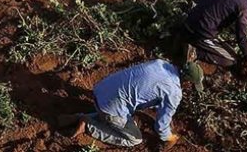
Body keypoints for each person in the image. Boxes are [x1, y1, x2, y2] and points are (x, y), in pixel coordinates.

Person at [64, 59, 203, 148]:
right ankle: (89, 126)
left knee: (123, 109)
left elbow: (149, 87)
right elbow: (161, 126)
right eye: (192, 84)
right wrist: (169, 137)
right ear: (187, 81)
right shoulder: (174, 92)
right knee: (134, 139)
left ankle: (80, 116)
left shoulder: (160, 63)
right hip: (109, 108)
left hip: (99, 90)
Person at [173, 0, 247, 71]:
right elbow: (241, 36)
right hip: (201, 32)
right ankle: (195, 52)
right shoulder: (244, 7)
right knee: (231, 59)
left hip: (190, 20)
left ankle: (182, 35)